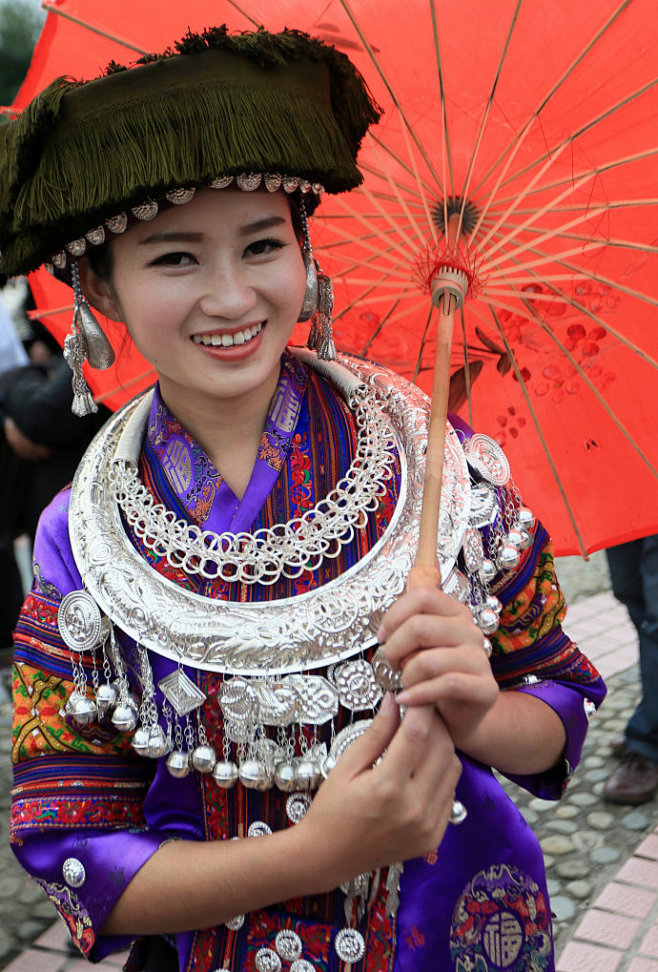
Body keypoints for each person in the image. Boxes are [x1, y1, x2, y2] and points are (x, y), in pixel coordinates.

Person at [2, 27, 605, 972]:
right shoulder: (78, 543)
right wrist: (317, 854)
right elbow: (70, 851)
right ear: (99, 290)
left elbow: (561, 703)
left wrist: (481, 711)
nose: (233, 296)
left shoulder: (436, 468)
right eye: (174, 259)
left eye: (261, 244)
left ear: (303, 252)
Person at [604, 536, 658, 805]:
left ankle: (648, 741)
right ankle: (651, 711)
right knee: (628, 588)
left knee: (657, 620)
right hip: (619, 498)